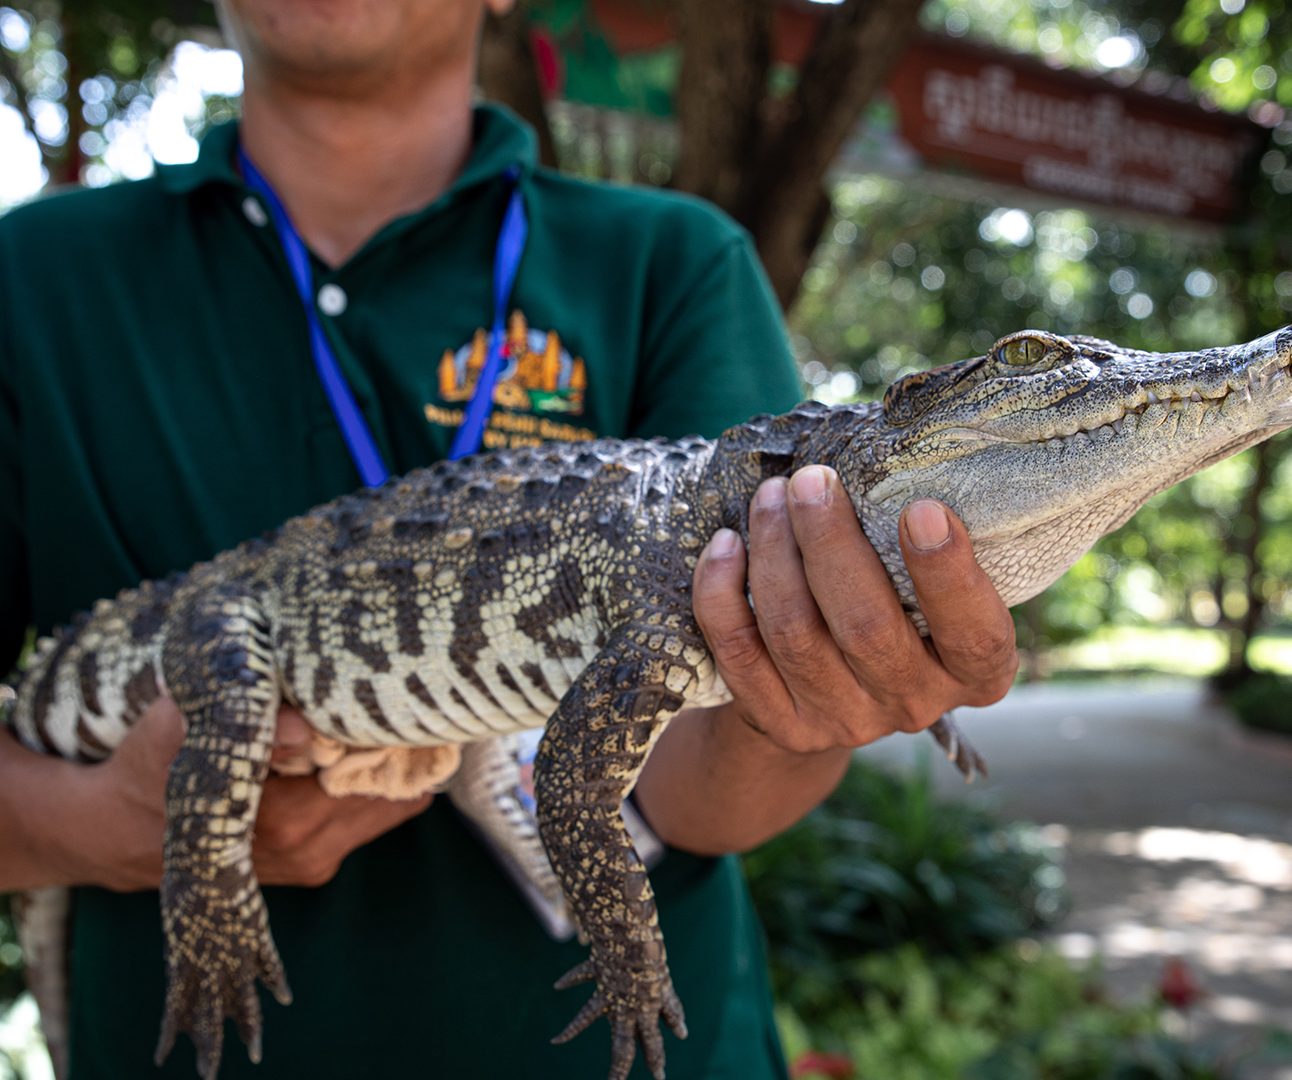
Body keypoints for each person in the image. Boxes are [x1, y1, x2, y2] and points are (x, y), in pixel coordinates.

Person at [0, 1, 1019, 1076]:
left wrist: (831, 682)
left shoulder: (672, 262)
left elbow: (698, 791)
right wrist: (99, 825)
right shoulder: (30, 279)